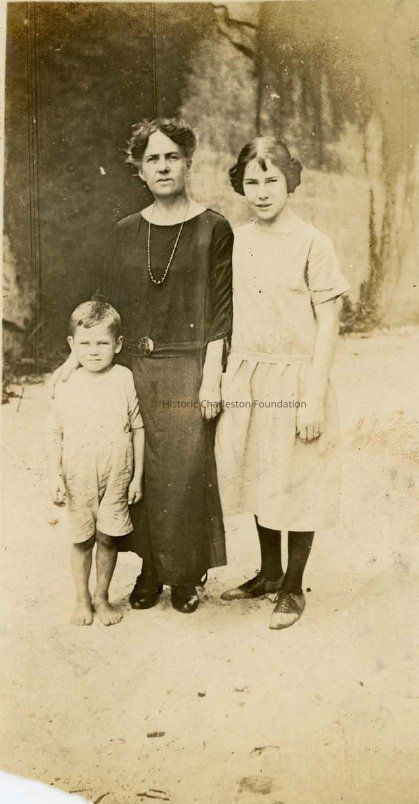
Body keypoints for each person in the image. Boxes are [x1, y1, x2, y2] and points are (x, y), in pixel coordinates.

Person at [96, 118, 233, 614]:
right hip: (134, 366)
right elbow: (108, 306)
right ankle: (150, 570)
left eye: (172, 156)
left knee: (184, 470)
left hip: (188, 366)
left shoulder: (213, 227)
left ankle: (186, 575)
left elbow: (221, 311)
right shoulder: (125, 231)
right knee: (139, 469)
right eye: (152, 159)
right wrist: (80, 363)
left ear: (188, 163)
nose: (163, 166)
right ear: (139, 170)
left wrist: (212, 376)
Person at [215, 137, 350, 630]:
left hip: (297, 379)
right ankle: (269, 572)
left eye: (272, 179)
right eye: (252, 182)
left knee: (299, 477)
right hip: (250, 375)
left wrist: (313, 396)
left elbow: (329, 322)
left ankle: (293, 585)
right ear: (240, 186)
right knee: (259, 472)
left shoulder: (313, 242)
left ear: (290, 180)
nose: (262, 191)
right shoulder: (237, 240)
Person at [47, 300, 144, 626]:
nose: (93, 351)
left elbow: (138, 428)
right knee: (82, 539)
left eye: (102, 343)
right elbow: (54, 434)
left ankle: (102, 597)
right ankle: (82, 600)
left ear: (118, 344)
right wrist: (54, 476)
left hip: (117, 474)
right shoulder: (67, 383)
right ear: (72, 344)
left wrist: (137, 477)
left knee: (108, 537)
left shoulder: (124, 378)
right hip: (78, 476)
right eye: (85, 343)